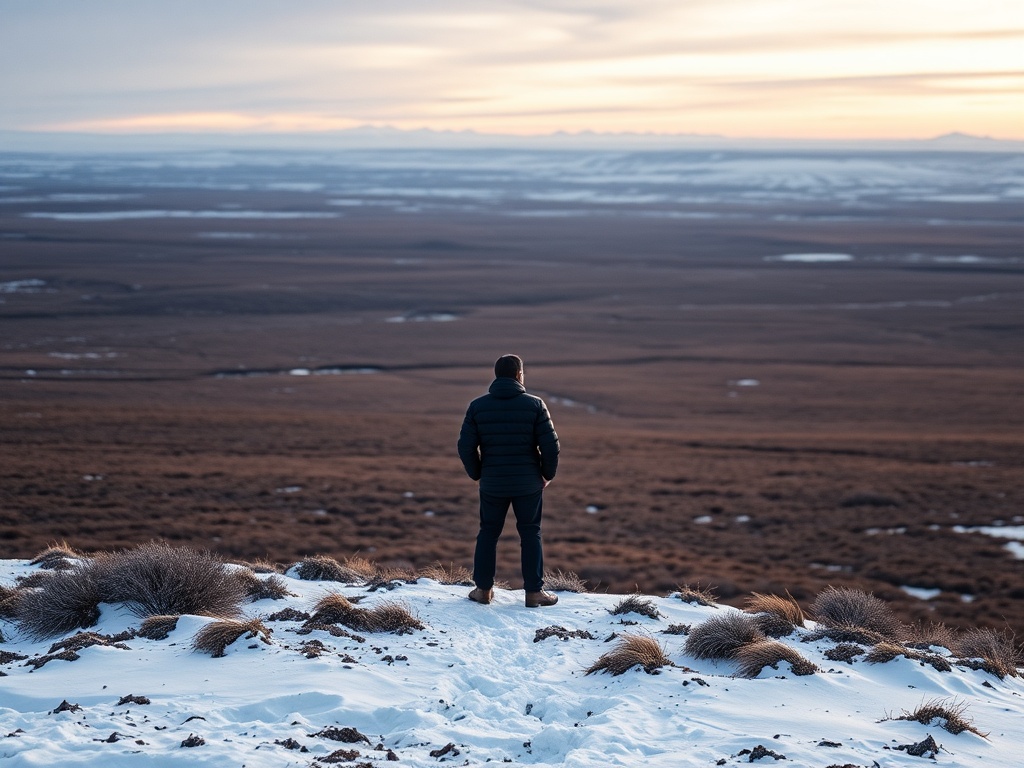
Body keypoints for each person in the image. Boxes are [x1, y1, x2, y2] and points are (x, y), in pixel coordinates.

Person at [458, 354, 560, 607]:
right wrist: (546, 474)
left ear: (496, 375)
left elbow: (465, 446)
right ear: (519, 375)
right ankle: (534, 593)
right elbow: (551, 446)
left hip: (493, 483)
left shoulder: (477, 406)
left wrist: (478, 473)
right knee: (530, 533)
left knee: (488, 533)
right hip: (528, 484)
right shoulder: (535, 405)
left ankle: (483, 591)